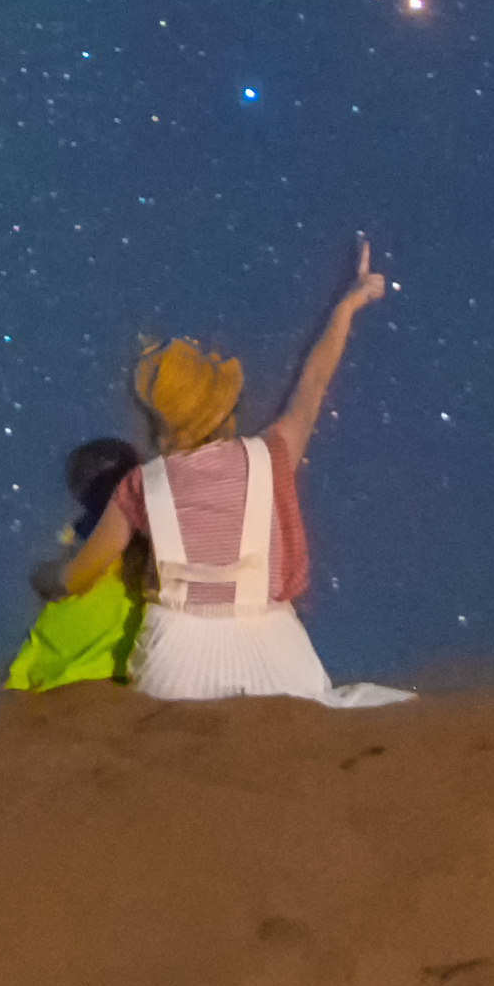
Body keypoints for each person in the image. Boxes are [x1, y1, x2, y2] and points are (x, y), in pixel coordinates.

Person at [50, 236, 410, 707]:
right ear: (223, 408)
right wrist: (349, 304)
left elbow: (78, 578)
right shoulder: (272, 455)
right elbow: (314, 381)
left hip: (174, 668)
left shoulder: (141, 487)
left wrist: (45, 577)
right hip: (276, 659)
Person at [0, 436, 146, 691]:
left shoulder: (98, 527)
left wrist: (45, 576)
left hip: (97, 612)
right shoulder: (152, 518)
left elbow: (73, 576)